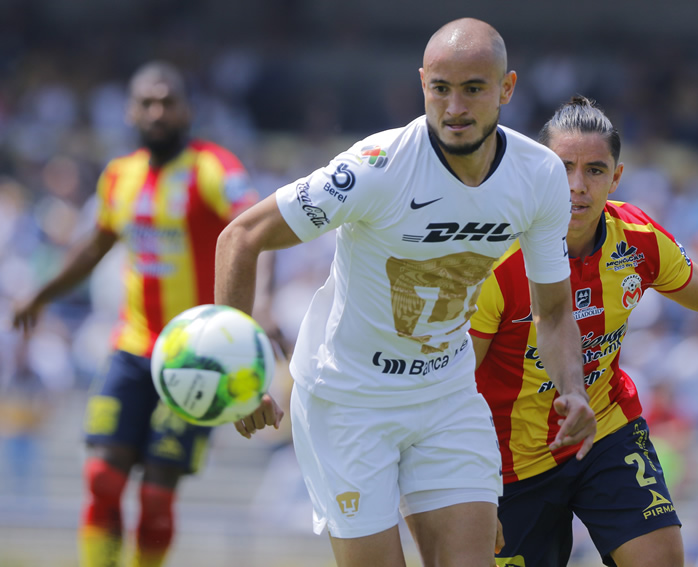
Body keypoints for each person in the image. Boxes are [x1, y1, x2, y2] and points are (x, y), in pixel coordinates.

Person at [214, 18, 596, 567]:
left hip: (446, 394)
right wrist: (237, 376)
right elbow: (241, 236)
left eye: (474, 89)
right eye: (441, 88)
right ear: (422, 84)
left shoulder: (539, 176)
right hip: (348, 399)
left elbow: (554, 309)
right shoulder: (376, 167)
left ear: (507, 89)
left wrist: (574, 389)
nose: (455, 107)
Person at [469, 95, 698, 567]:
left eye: (594, 170)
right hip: (508, 463)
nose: (577, 186)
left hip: (605, 429)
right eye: (563, 167)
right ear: (537, 171)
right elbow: (457, 380)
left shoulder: (638, 238)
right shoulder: (497, 259)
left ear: (617, 176)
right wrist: (468, 489)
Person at [11, 61, 274, 567]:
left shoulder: (214, 168)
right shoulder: (119, 176)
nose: (158, 112)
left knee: (156, 496)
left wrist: (254, 314)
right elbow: (94, 248)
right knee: (102, 479)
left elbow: (254, 230)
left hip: (196, 359)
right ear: (131, 111)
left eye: (168, 102)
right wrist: (41, 294)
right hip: (132, 347)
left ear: (187, 110)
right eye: (147, 103)